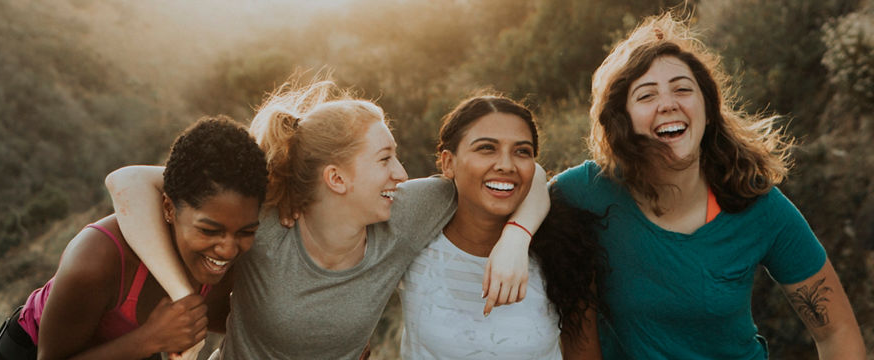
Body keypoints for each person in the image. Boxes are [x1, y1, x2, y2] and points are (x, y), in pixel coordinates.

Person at [105, 78, 550, 359]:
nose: (402, 173)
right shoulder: (265, 218)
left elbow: (530, 174)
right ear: (336, 178)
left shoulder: (407, 211)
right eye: (385, 158)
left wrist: (516, 238)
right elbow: (127, 182)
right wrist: (186, 302)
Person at [551, 13, 866, 359]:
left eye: (683, 89)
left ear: (708, 107)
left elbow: (837, 331)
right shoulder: (589, 190)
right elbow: (522, 186)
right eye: (646, 95)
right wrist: (516, 235)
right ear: (621, 118)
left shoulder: (757, 204)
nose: (668, 103)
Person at [0, 116, 268, 360]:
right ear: (169, 208)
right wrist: (151, 339)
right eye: (209, 230)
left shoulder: (221, 266)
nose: (228, 250)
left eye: (246, 232)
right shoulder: (95, 261)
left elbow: (236, 319)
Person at [399, 94, 605, 359]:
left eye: (522, 151)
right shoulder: (414, 238)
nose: (506, 165)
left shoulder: (565, 250)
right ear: (448, 163)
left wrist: (517, 239)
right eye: (486, 148)